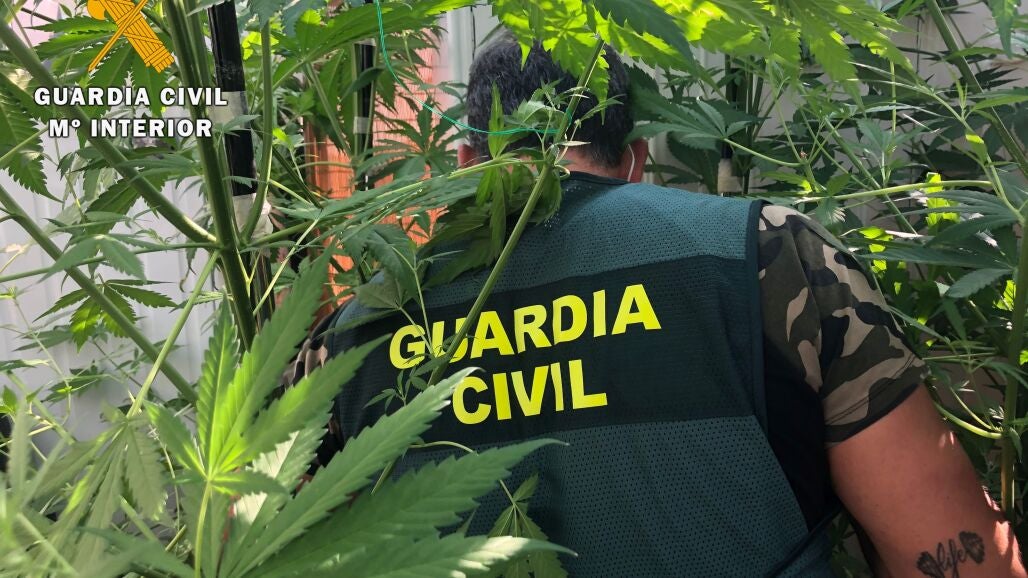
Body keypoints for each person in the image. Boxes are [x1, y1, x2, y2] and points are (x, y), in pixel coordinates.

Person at [286, 32, 1026, 577]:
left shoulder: (353, 336)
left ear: (464, 163)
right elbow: (960, 560)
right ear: (636, 158)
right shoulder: (772, 260)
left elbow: (266, 539)